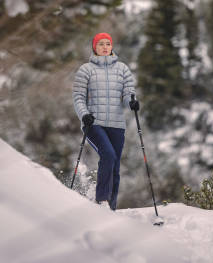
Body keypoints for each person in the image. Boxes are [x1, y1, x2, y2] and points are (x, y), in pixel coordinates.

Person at [72, 32, 140, 211]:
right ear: (94, 47)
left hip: (117, 125)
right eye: (100, 44)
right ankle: (101, 200)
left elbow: (127, 94)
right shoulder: (85, 69)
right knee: (108, 155)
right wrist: (84, 114)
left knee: (115, 167)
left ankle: (111, 207)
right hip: (94, 123)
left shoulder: (123, 69)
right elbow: (78, 97)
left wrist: (131, 102)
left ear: (112, 47)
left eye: (107, 43)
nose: (104, 46)